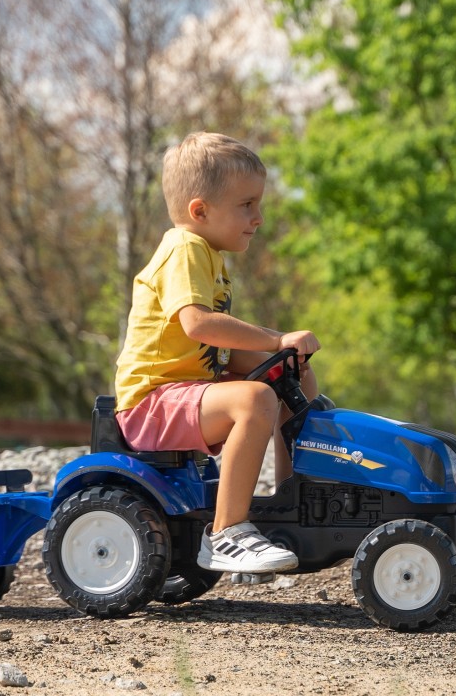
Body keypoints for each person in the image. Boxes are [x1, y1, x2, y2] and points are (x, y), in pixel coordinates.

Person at [114, 131, 321, 574]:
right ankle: (227, 533)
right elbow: (198, 324)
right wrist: (274, 338)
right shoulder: (185, 248)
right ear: (200, 210)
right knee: (256, 398)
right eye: (247, 205)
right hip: (153, 400)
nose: (259, 217)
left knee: (294, 373)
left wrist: (282, 352)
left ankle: (293, 496)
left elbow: (213, 345)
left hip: (190, 388)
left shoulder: (209, 254)